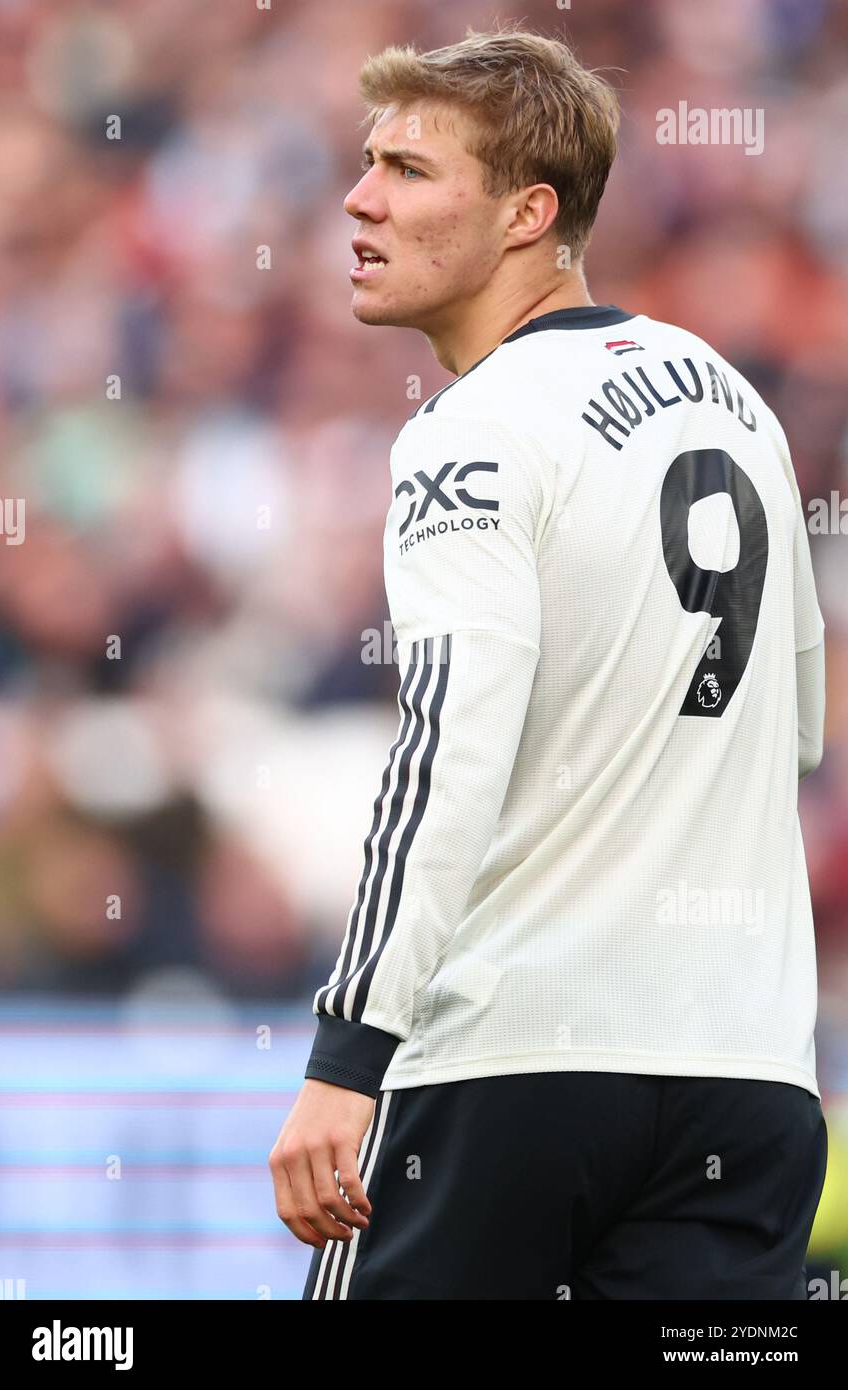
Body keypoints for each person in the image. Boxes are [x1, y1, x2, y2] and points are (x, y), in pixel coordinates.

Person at [268, 26, 828, 1300]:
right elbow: (793, 730)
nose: (357, 199)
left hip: (506, 1070)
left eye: (408, 170)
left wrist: (346, 1057)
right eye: (364, 164)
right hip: (742, 1082)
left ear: (528, 214)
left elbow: (446, 751)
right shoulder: (735, 401)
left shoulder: (469, 433)